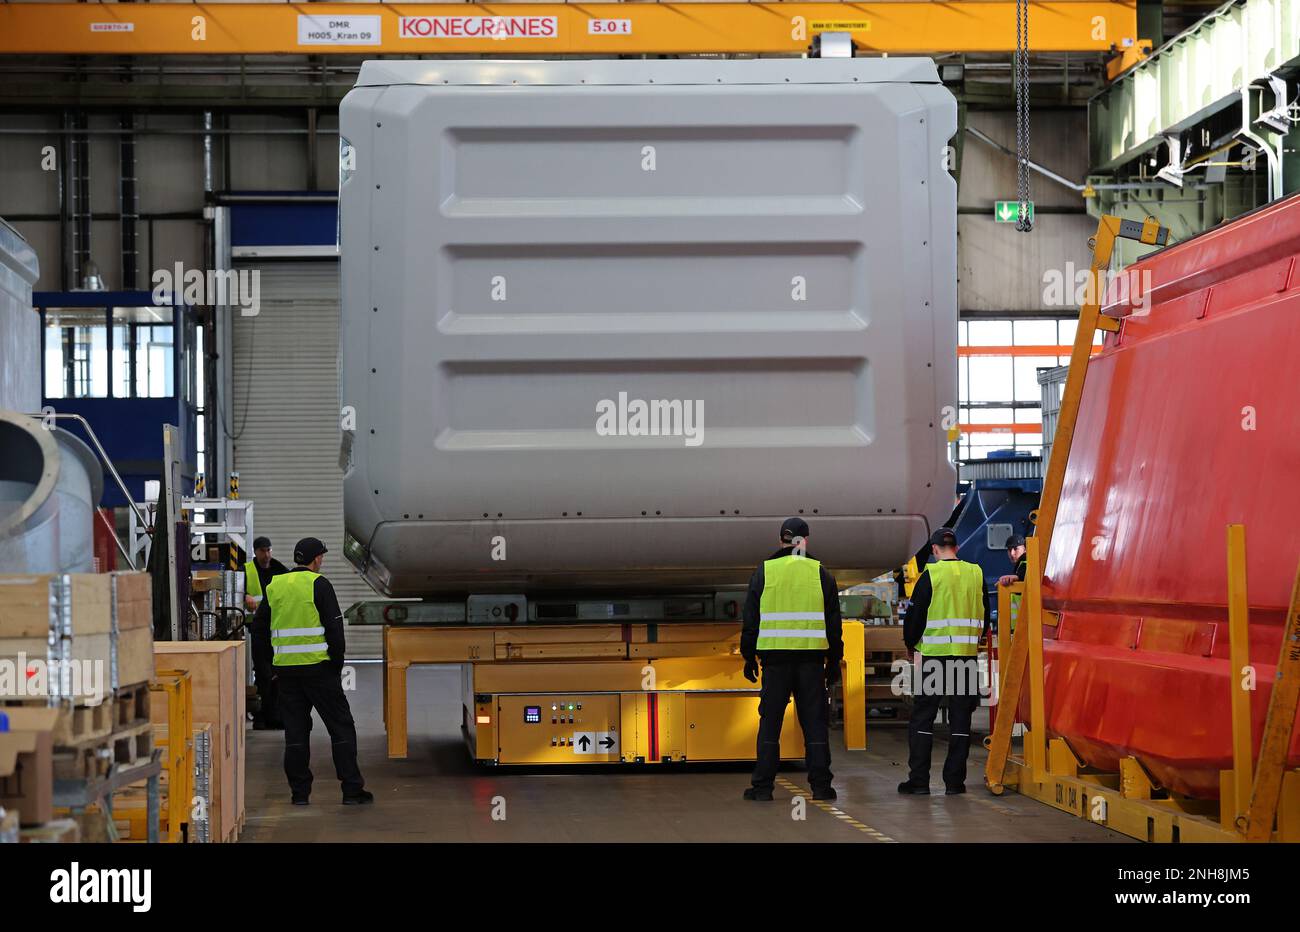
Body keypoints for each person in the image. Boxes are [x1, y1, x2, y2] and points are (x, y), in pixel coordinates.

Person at [251, 537, 372, 806]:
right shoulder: (319, 584)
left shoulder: (275, 585)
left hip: (287, 675)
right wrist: (336, 665)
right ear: (316, 559)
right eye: (322, 557)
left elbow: (259, 630)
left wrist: (270, 667)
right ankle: (351, 790)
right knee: (341, 728)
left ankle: (299, 794)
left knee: (295, 733)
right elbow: (335, 630)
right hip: (319, 671)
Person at [740, 517, 844, 801]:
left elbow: (751, 619)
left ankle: (763, 788)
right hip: (811, 662)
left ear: (781, 540)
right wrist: (835, 661)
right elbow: (834, 625)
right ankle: (821, 787)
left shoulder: (765, 571)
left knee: (770, 722)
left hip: (775, 661)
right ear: (805, 540)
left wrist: (748, 655)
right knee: (814, 723)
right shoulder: (820, 573)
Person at [898, 527, 990, 796]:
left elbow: (915, 617)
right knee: (961, 722)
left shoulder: (931, 575)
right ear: (957, 548)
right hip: (965, 657)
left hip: (934, 658)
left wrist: (910, 645)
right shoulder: (976, 573)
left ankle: (919, 782)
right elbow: (984, 614)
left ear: (936, 550)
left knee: (923, 720)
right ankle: (954, 783)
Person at [244, 537, 289, 729]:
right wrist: (243, 595)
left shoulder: (279, 569)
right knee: (263, 674)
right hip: (257, 629)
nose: (267, 555)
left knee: (278, 674)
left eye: (269, 550)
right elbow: (233, 590)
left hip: (277, 629)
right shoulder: (246, 570)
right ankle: (262, 717)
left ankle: (277, 716)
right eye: (263, 551)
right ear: (255, 551)